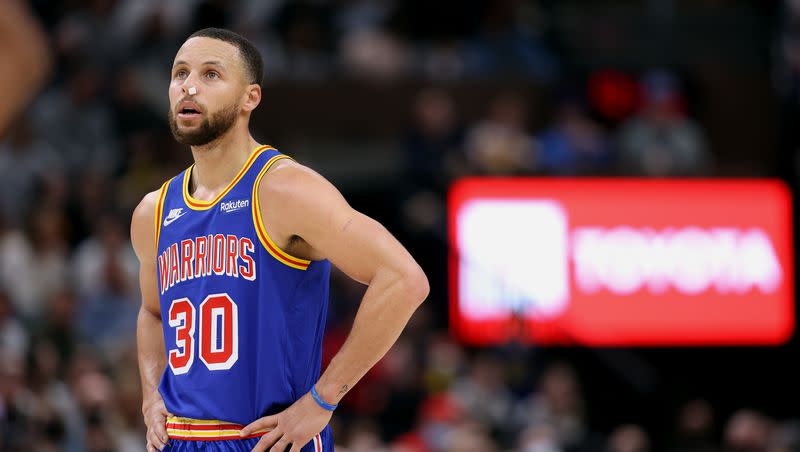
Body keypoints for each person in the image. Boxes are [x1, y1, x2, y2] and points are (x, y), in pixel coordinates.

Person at [131, 28, 429, 452]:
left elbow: (404, 279)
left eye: (211, 74)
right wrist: (149, 396)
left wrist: (323, 400)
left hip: (266, 439)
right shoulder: (152, 212)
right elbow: (151, 313)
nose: (189, 86)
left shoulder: (284, 189)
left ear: (250, 98)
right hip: (181, 440)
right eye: (180, 73)